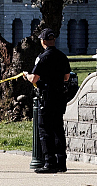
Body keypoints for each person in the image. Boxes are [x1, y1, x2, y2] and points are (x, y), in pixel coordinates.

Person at [22, 27, 71, 174]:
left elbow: (34, 78)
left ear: (43, 41)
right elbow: (67, 77)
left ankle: (49, 163)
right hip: (59, 96)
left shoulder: (43, 58)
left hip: (47, 96)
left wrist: (26, 75)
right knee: (58, 129)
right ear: (53, 40)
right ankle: (61, 163)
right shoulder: (62, 56)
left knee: (45, 130)